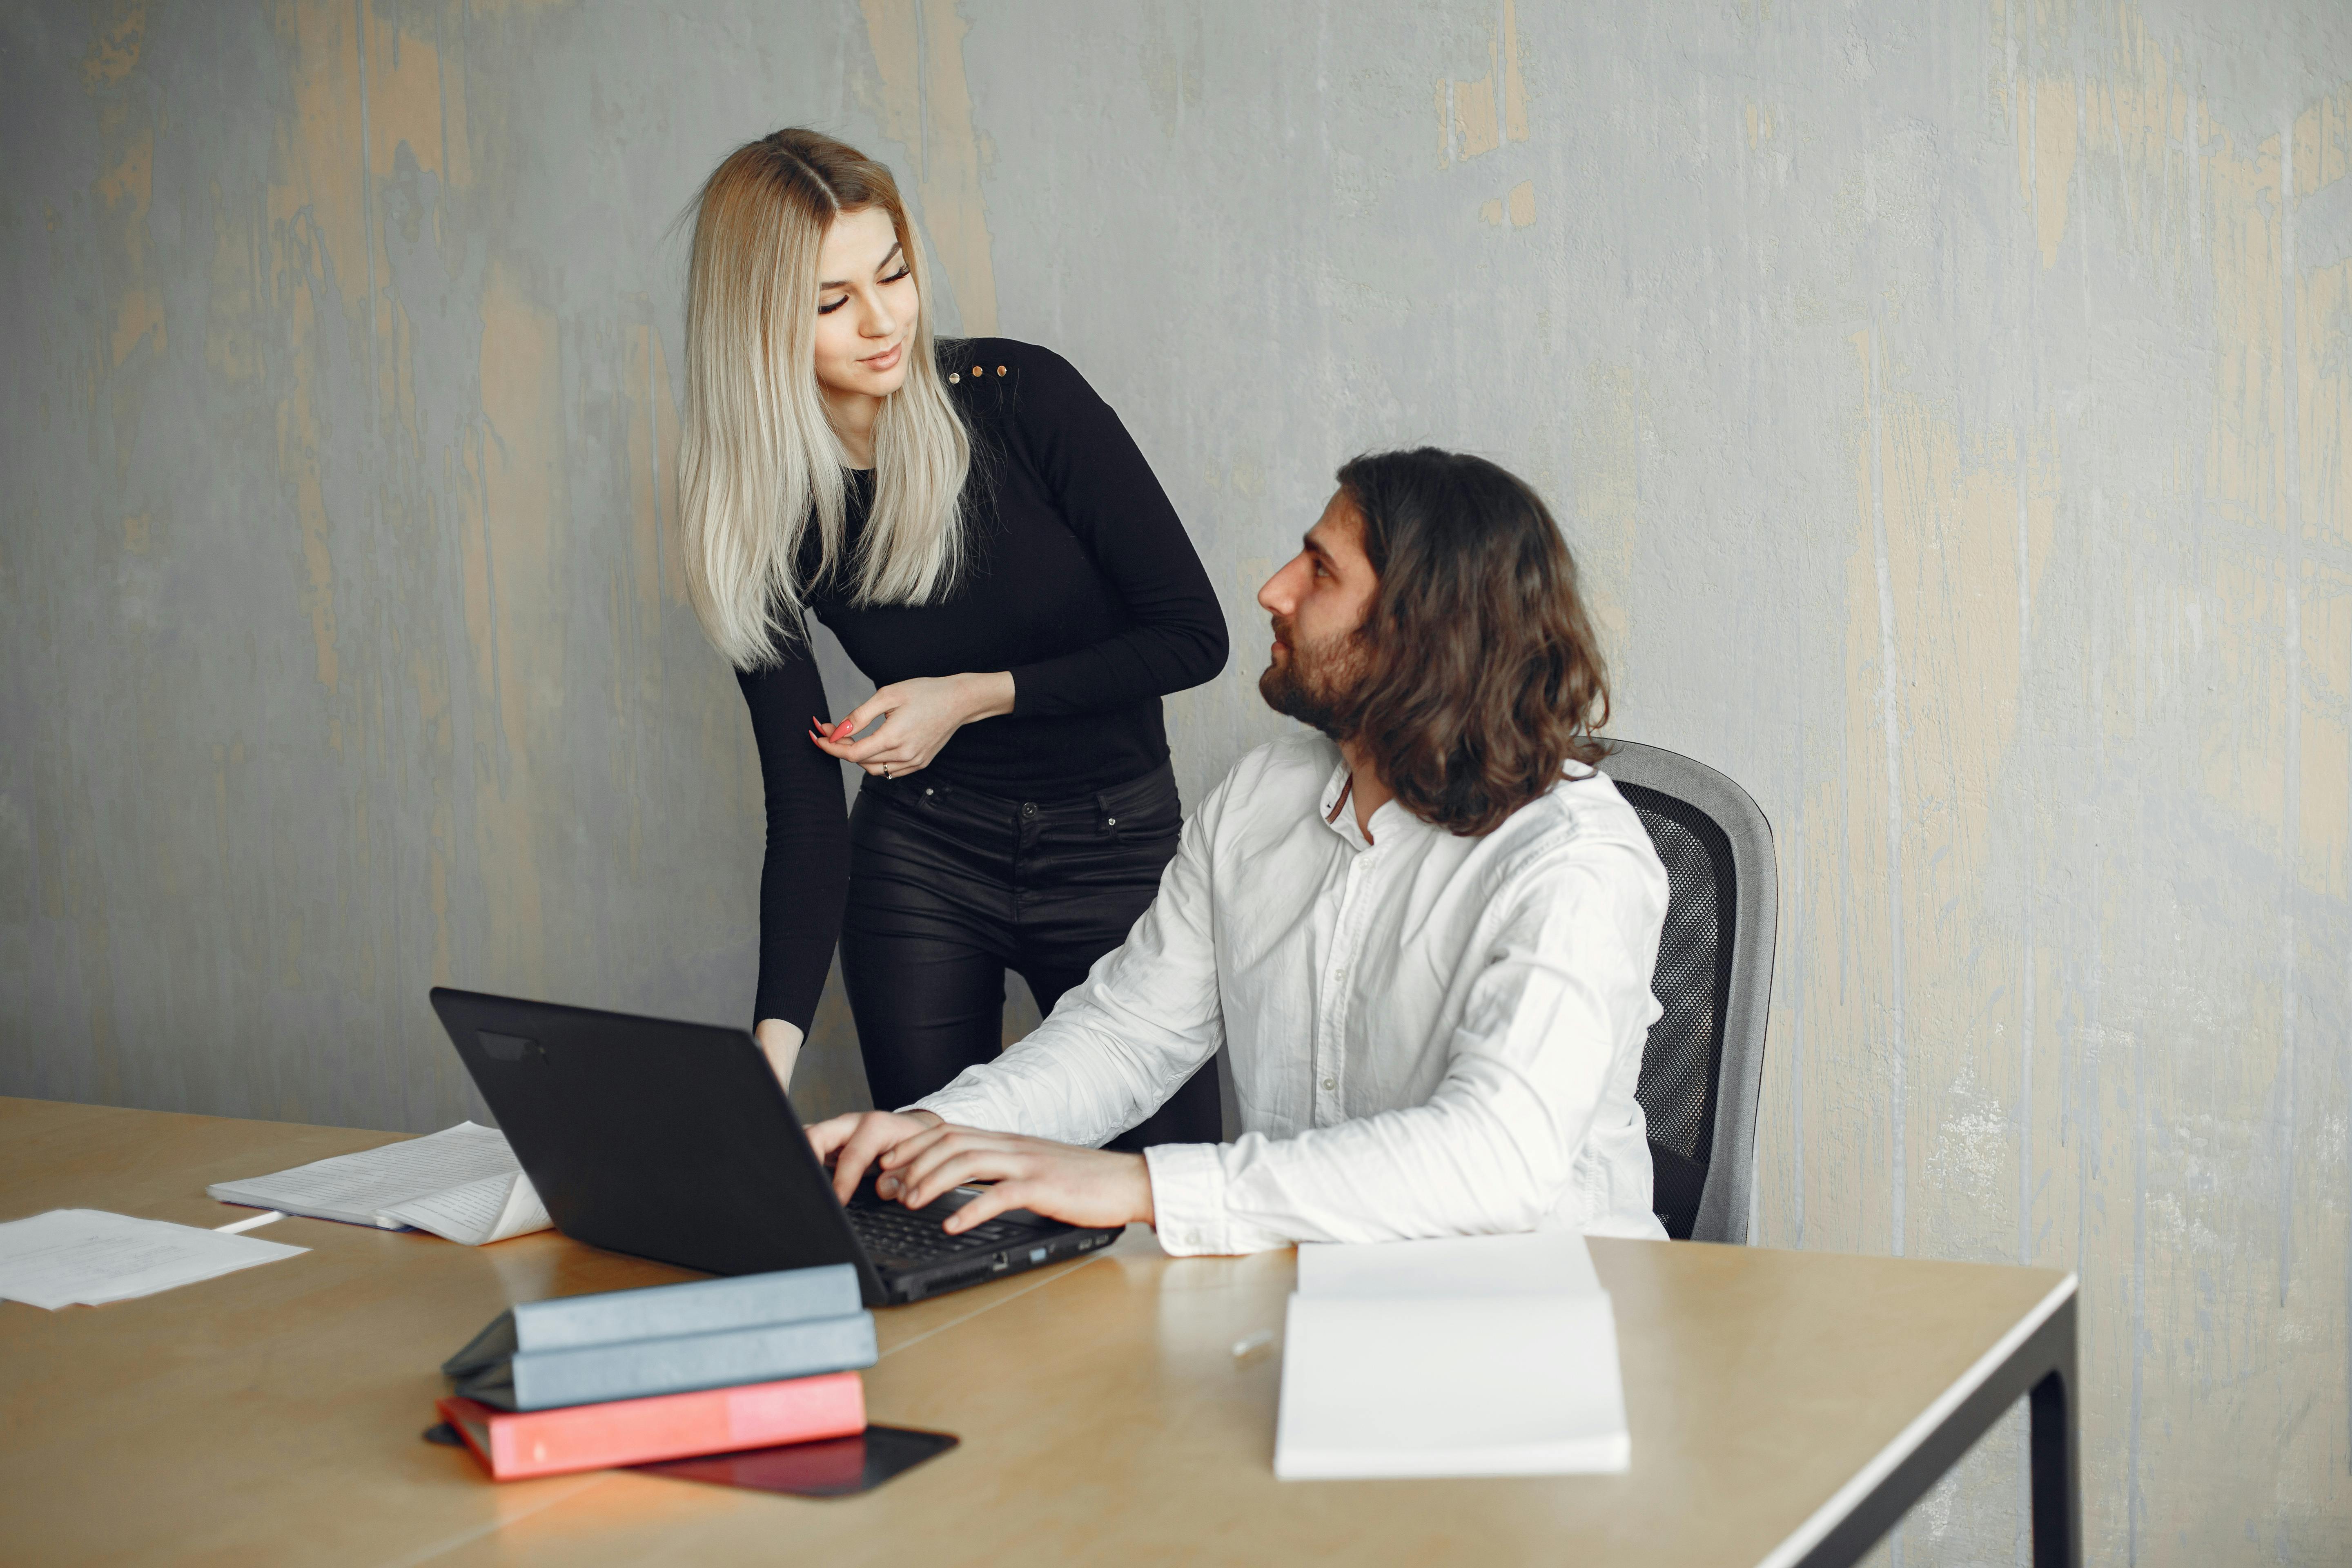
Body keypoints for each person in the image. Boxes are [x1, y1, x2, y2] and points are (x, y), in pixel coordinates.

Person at [810, 448, 1673, 1253]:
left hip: (1547, 1330)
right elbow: (1128, 1033)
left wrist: (1144, 1186)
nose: (1273, 590)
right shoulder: (1263, 797)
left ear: (1422, 628)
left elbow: (1496, 1157)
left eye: (1321, 571)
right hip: (1307, 1306)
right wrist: (945, 1127)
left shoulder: (1574, 862)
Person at [677, 129, 1228, 1149]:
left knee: (1166, 1209)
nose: (884, 321)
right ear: (754, 326)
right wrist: (766, 1059)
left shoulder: (1022, 400)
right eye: (831, 302)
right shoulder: (756, 513)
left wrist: (969, 694)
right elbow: (804, 808)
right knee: (939, 1196)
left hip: (1115, 846)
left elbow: (1194, 637)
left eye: (893, 274)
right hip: (925, 860)